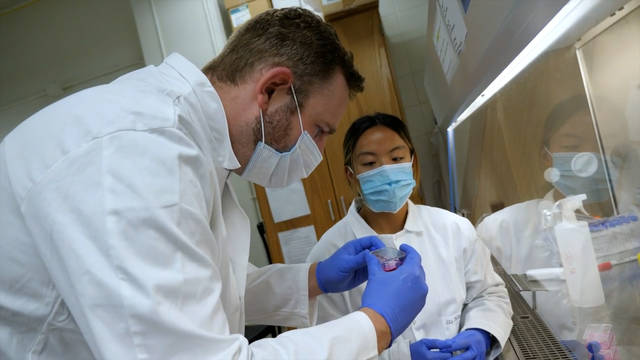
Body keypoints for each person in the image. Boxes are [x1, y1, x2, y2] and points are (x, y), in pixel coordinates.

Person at [0, 8, 429, 359]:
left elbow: (206, 285)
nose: (315, 151)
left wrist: (314, 278)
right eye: (318, 129)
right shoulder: (141, 152)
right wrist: (376, 325)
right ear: (274, 90)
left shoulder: (195, 149)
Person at [306, 113, 513, 360]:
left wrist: (481, 332)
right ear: (352, 176)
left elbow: (489, 294)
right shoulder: (328, 255)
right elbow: (328, 349)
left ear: (412, 164)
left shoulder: (454, 228)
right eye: (370, 164)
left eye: (396, 158)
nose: (386, 170)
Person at [476, 95, 616, 360]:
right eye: (573, 145)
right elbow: (484, 308)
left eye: (600, 143)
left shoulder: (631, 224)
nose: (590, 156)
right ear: (546, 157)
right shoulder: (502, 229)